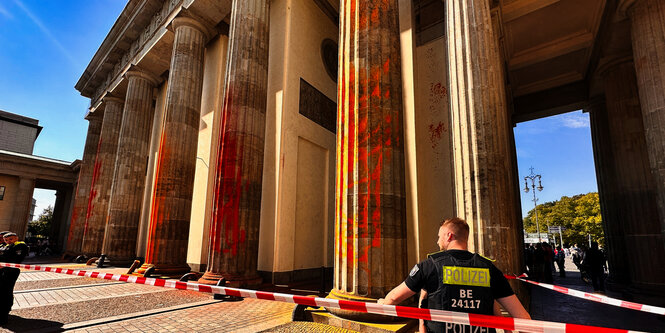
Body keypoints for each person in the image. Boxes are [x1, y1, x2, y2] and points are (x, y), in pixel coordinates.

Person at [377, 217, 530, 333]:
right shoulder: (489, 268)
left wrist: (381, 303)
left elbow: (394, 298)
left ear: (449, 236)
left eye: (439, 236)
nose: (437, 241)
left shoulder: (429, 266)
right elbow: (522, 317)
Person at [0, 232, 29, 325]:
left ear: (16, 238)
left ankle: (3, 315)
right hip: (2, 270)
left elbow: (16, 259)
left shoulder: (20, 245)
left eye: (10, 239)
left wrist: (4, 264)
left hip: (10, 271)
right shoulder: (3, 246)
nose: (8, 241)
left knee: (6, 292)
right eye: (6, 240)